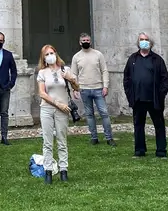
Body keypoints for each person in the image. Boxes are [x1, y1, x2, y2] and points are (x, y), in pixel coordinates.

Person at [123, 33, 168, 158]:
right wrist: (129, 95)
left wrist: (161, 95)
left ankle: (161, 151)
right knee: (138, 125)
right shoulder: (132, 59)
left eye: (146, 40)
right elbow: (126, 78)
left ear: (151, 43)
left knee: (159, 125)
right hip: (138, 99)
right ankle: (139, 150)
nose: (144, 41)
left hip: (154, 99)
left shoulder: (157, 60)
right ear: (138, 42)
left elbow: (165, 79)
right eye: (141, 39)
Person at [36, 45, 77, 184]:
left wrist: (71, 79)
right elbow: (42, 93)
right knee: (47, 141)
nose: (50, 56)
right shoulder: (42, 72)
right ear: (44, 58)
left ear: (56, 53)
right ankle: (48, 171)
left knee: (62, 139)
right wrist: (57, 104)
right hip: (48, 108)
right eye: (47, 54)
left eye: (51, 53)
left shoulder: (65, 70)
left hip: (63, 109)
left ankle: (63, 169)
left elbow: (77, 88)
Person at [70, 32, 115, 147]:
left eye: (87, 40)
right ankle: (94, 137)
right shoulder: (76, 57)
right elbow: (73, 74)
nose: (86, 42)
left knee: (104, 113)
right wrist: (74, 88)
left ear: (90, 41)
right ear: (80, 43)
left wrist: (105, 86)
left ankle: (109, 137)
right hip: (84, 89)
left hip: (98, 88)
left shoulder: (98, 54)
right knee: (89, 114)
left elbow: (104, 70)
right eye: (83, 41)